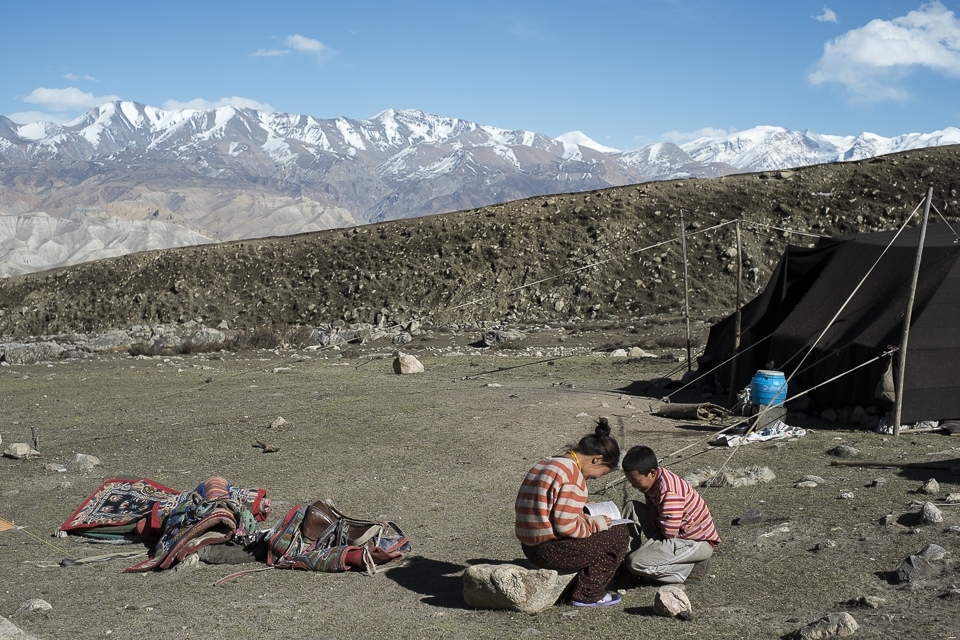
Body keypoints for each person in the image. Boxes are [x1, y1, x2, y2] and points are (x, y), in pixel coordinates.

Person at [515, 417, 629, 607]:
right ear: (597, 459)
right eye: (602, 472)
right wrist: (595, 523)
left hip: (528, 547)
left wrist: (580, 510)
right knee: (619, 534)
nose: (595, 478)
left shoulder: (547, 463)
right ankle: (588, 594)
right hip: (550, 551)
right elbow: (566, 526)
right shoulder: (572, 474)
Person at [620, 445, 719, 584]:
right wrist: (654, 508)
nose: (633, 485)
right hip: (671, 530)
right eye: (630, 481)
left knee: (635, 562)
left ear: (652, 473)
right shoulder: (654, 480)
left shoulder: (669, 492)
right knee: (631, 507)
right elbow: (654, 509)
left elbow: (669, 534)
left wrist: (649, 550)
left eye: (636, 481)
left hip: (695, 541)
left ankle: (691, 569)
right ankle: (625, 564)